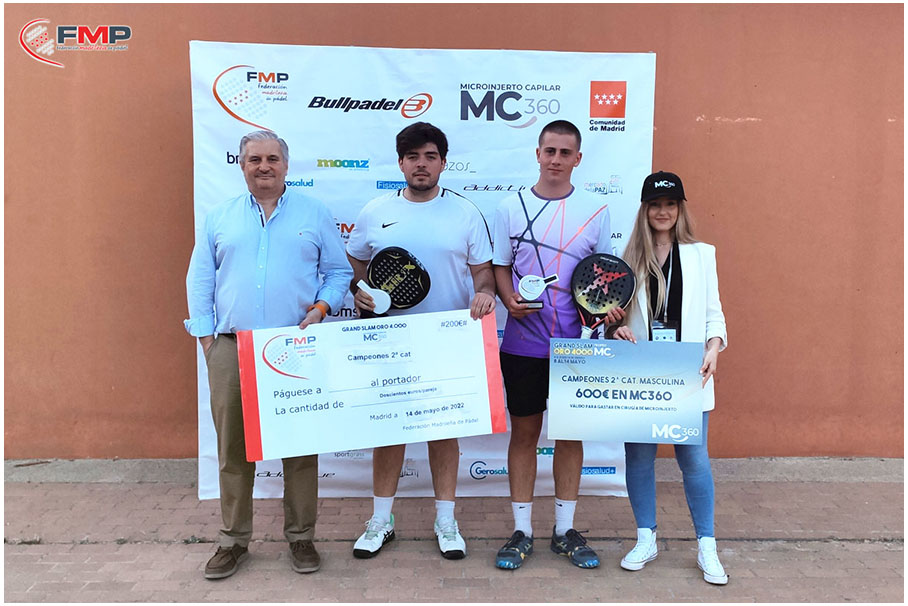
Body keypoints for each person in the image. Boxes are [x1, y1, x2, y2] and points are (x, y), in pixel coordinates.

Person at [184, 130, 352, 579]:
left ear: (286, 165)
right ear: (241, 165)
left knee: (299, 448)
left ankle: (301, 538)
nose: (264, 166)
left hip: (294, 348)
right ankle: (233, 541)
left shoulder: (314, 213)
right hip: (231, 347)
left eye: (272, 158)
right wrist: (207, 340)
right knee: (233, 451)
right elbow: (200, 279)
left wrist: (321, 308)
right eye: (255, 159)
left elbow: (338, 272)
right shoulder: (219, 217)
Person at [345, 122, 496, 560]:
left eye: (430, 157)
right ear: (400, 164)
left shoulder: (465, 213)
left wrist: (485, 293)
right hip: (390, 339)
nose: (421, 165)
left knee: (443, 432)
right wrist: (361, 290)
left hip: (446, 342)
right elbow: (355, 264)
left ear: (443, 163)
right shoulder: (376, 211)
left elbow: (483, 273)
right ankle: (381, 520)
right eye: (413, 157)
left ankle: (446, 520)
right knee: (389, 431)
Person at [492, 119, 621, 570]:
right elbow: (500, 266)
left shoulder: (596, 210)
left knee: (570, 437)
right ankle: (522, 531)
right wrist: (507, 298)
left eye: (566, 153)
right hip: (523, 346)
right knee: (524, 435)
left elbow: (606, 275)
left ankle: (565, 530)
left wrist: (610, 312)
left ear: (578, 159)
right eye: (550, 151)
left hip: (578, 349)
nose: (556, 160)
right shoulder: (510, 207)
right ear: (538, 153)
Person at [612, 171, 729, 585]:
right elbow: (616, 318)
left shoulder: (702, 255)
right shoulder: (627, 257)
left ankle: (707, 546)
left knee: (693, 460)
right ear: (645, 210)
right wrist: (616, 327)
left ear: (680, 209)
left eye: (670, 204)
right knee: (639, 458)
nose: (663, 212)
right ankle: (646, 538)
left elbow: (714, 312)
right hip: (642, 374)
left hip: (688, 372)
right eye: (656, 205)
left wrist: (714, 348)